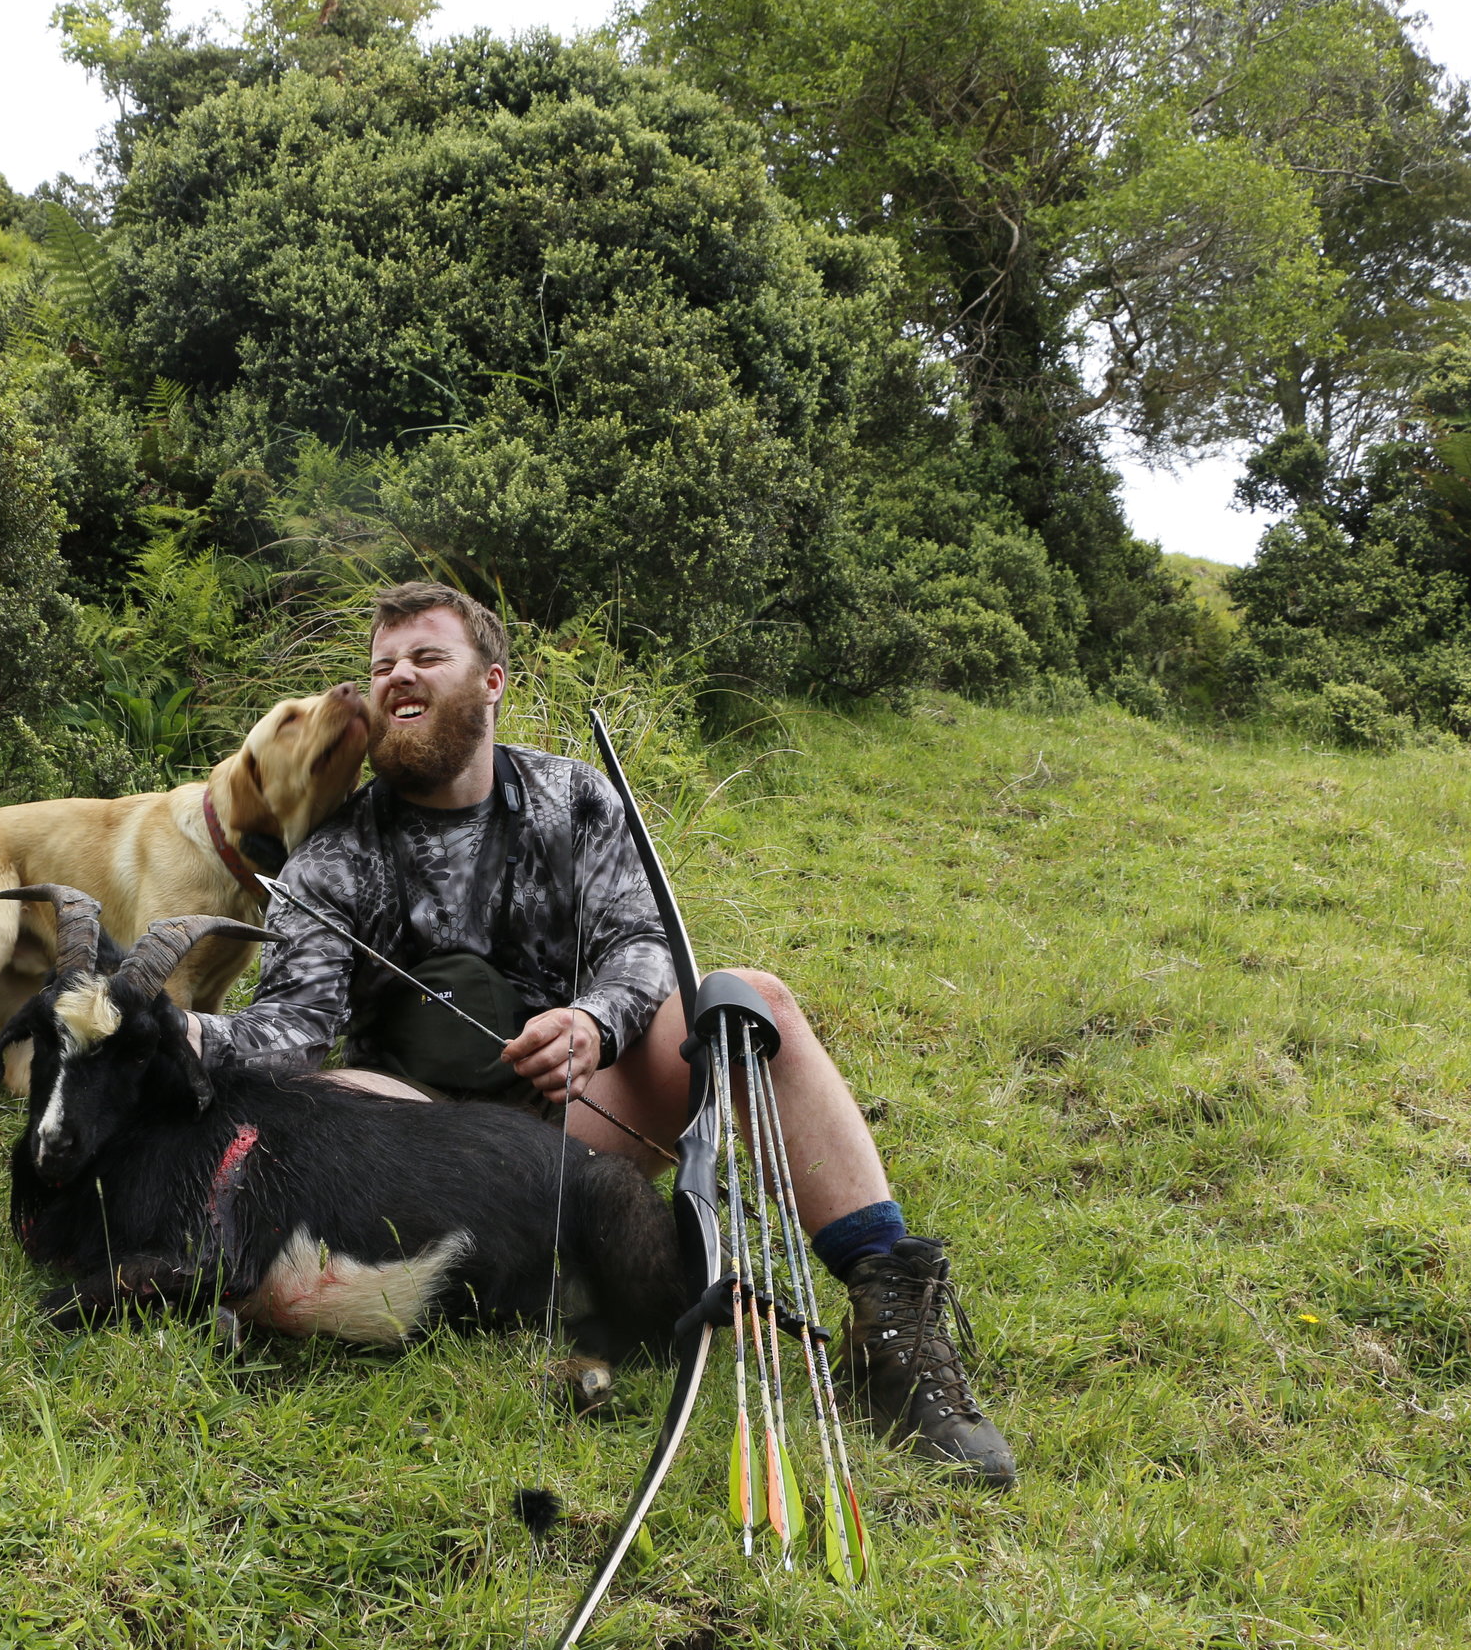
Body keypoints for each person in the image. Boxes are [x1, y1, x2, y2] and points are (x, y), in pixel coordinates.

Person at [184, 582, 1014, 1486]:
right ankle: (522, 1291)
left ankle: (891, 1320)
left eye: (426, 657)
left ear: (491, 679)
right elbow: (291, 1028)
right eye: (382, 666)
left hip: (580, 1119)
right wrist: (171, 1028)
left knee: (748, 1000)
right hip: (424, 1153)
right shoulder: (330, 856)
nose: (396, 678)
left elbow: (643, 946)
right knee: (328, 1102)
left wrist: (594, 1020)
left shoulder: (572, 799)